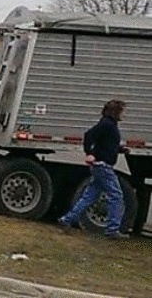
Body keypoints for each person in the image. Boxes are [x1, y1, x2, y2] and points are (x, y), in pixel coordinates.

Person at [57, 100, 130, 239]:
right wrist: (88, 153)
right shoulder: (107, 125)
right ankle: (112, 229)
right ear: (115, 112)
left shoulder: (109, 125)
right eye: (122, 111)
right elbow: (88, 136)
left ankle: (67, 219)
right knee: (116, 196)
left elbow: (106, 144)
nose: (124, 115)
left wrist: (120, 149)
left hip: (99, 166)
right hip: (103, 166)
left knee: (89, 196)